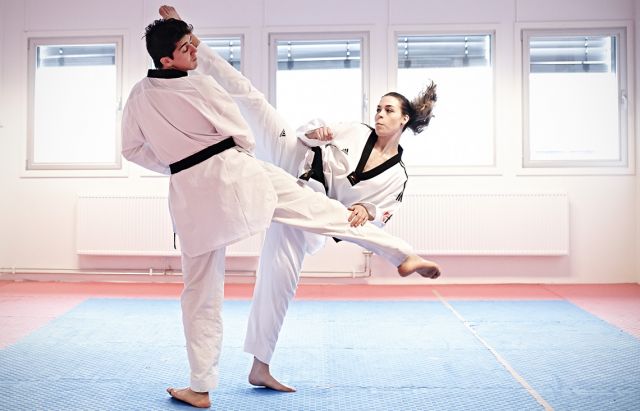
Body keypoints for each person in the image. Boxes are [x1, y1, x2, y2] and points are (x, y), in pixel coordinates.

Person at [123, 8, 439, 408]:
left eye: (388, 110)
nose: (378, 114)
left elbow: (383, 207)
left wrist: (370, 213)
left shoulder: (398, 175)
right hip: (282, 160)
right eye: (378, 107)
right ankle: (401, 252)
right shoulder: (356, 130)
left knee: (258, 281)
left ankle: (233, 374)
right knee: (252, 100)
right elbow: (285, 129)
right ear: (171, 57)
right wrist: (310, 132)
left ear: (406, 119)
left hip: (230, 194)